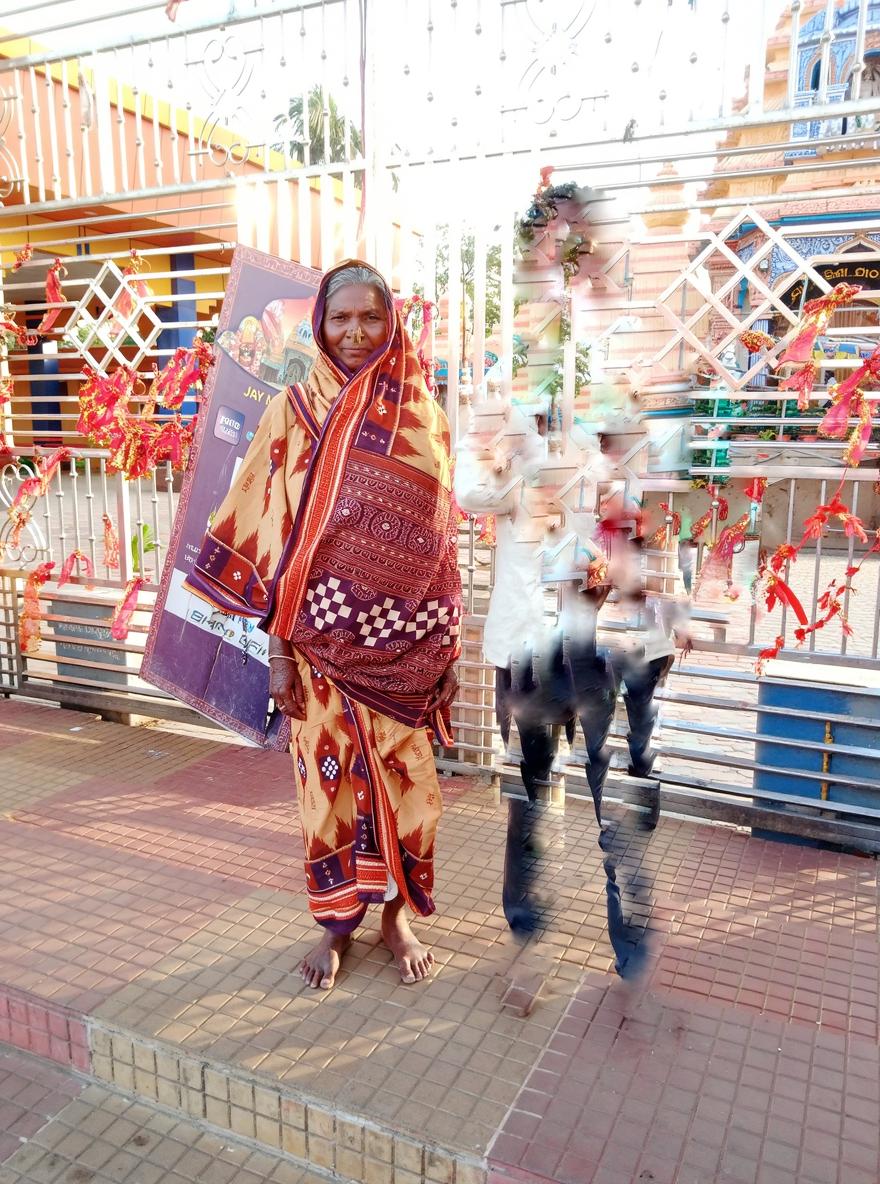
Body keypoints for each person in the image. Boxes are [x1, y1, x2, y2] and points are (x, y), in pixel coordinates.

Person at [186, 260, 461, 990]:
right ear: (320, 323)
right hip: (316, 647)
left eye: (370, 317)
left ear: (391, 321)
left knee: (411, 786)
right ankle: (336, 926)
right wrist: (278, 654)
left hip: (405, 648)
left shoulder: (421, 412)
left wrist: (446, 645)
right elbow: (271, 534)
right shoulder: (293, 410)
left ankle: (396, 917)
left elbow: (440, 542)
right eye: (341, 318)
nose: (355, 332)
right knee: (327, 791)